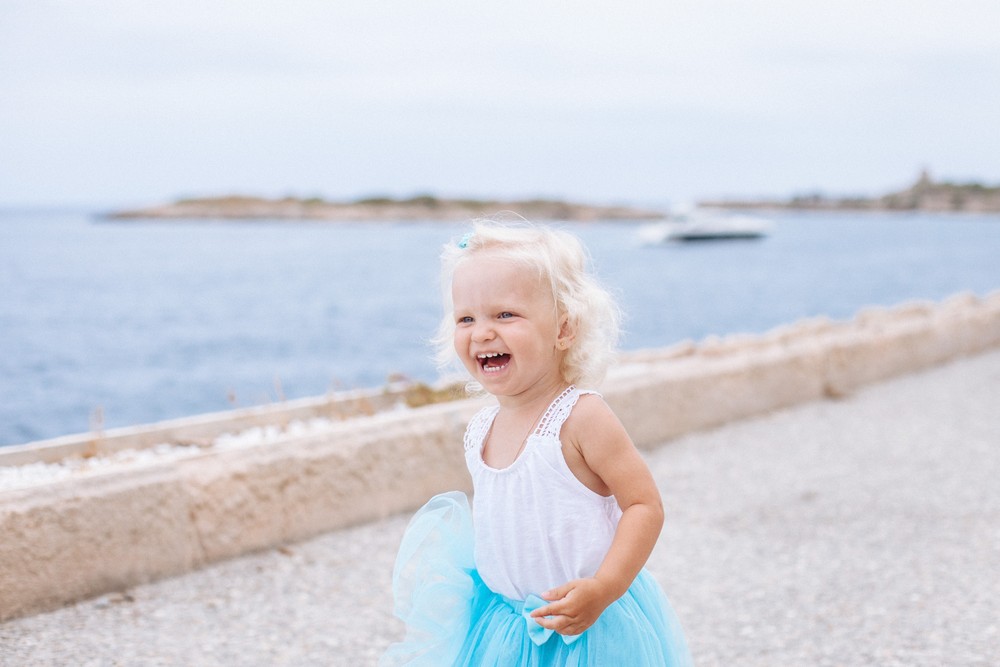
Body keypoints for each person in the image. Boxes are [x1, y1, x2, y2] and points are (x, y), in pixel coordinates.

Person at [381, 221, 692, 666]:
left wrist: (604, 588)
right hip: (505, 629)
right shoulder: (482, 427)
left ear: (563, 329)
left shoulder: (581, 417)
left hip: (586, 627)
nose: (482, 332)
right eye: (466, 318)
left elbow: (644, 505)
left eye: (505, 315)